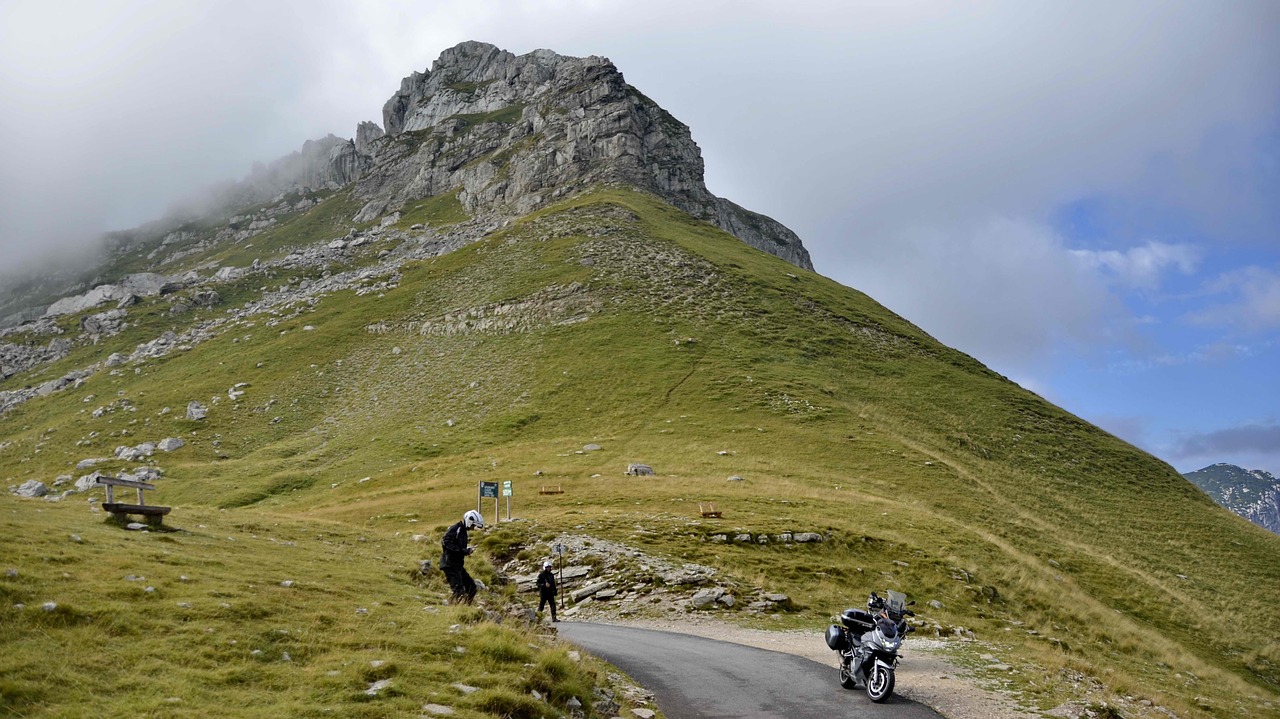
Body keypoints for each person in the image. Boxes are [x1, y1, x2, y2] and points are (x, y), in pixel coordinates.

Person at [441, 509, 484, 604]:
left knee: (472, 587)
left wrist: (466, 551)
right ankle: (451, 608)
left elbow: (456, 547)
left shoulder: (464, 531)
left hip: (458, 566)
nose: (473, 528)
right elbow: (445, 542)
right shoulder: (456, 529)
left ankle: (466, 607)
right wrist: (463, 551)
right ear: (469, 521)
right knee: (458, 591)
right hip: (450, 565)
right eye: (473, 525)